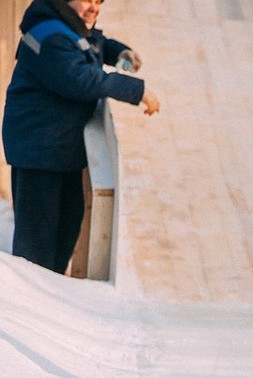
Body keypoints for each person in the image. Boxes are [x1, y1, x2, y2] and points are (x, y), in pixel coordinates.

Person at [2, 0, 160, 274]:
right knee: (37, 246)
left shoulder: (67, 25)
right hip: (39, 152)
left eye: (98, 1)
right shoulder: (48, 35)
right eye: (86, 0)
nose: (93, 8)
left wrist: (119, 51)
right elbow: (80, 80)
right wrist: (137, 91)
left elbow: (93, 43)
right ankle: (32, 306)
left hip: (60, 150)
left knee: (66, 227)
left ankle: (52, 298)